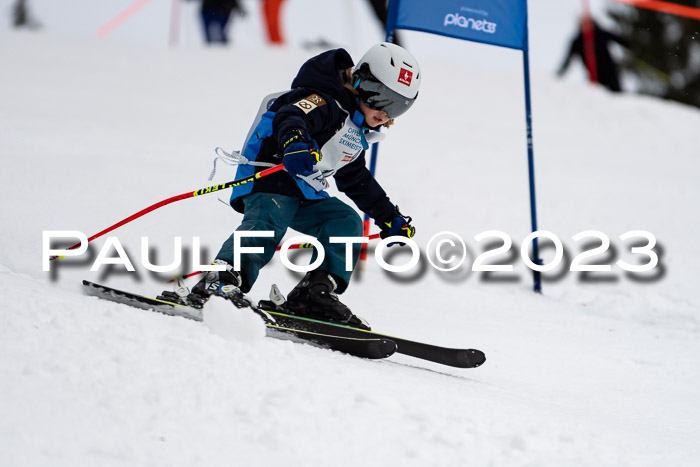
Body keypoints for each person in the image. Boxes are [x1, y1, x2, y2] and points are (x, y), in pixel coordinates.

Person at [162, 43, 420, 330]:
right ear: (360, 82)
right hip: (270, 174)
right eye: (381, 99)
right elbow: (291, 115)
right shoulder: (324, 101)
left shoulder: (356, 132)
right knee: (271, 217)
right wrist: (294, 144)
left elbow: (356, 180)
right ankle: (221, 280)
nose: (386, 113)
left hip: (305, 189)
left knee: (344, 221)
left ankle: (315, 292)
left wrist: (389, 217)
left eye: (398, 106)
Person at [558, 18, 629, 93]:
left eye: (588, 23)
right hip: (594, 76)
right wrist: (559, 74)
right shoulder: (577, 41)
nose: (586, 26)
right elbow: (568, 59)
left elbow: (618, 39)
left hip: (609, 72)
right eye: (583, 24)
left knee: (616, 95)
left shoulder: (600, 34)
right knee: (598, 96)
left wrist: (631, 46)